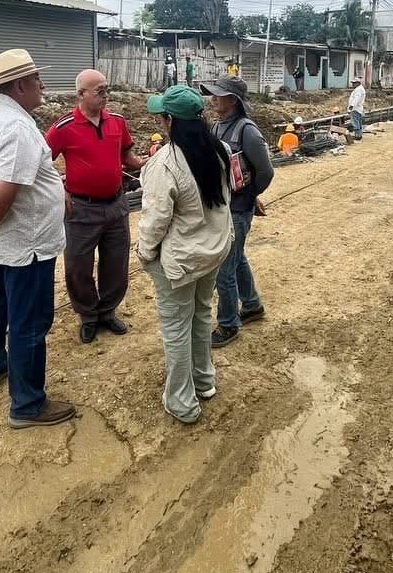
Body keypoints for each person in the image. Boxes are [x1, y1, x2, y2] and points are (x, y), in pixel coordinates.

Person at [0, 49, 75, 429]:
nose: (42, 85)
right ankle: (28, 404)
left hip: (2, 242)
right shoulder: (17, 128)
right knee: (30, 321)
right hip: (28, 243)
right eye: (37, 79)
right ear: (21, 86)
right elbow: (2, 193)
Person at [139, 85, 234, 423]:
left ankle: (181, 400)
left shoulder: (165, 163)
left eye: (162, 116)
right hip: (212, 251)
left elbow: (155, 219)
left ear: (170, 121)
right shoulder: (220, 150)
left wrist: (145, 253)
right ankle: (203, 380)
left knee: (176, 327)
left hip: (180, 259)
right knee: (201, 314)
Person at [46, 69, 144, 344]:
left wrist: (144, 163)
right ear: (81, 94)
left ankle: (107, 311)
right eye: (100, 91)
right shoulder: (63, 127)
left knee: (116, 263)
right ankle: (88, 316)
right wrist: (59, 188)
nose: (106, 95)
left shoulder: (118, 122)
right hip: (81, 209)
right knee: (78, 267)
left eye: (107, 89)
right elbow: (40, 161)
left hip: (116, 205)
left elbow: (126, 155)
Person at [199, 75, 274, 347]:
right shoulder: (218, 127)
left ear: (233, 100)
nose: (213, 99)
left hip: (237, 211)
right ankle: (251, 305)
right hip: (224, 207)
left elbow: (266, 171)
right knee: (237, 258)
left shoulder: (247, 131)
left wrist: (251, 196)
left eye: (218, 95)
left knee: (224, 268)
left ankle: (229, 323)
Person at [347, 76, 366, 140]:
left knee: (355, 122)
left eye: (354, 83)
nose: (353, 84)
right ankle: (359, 135)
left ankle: (357, 136)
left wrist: (351, 106)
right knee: (358, 122)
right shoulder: (359, 89)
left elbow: (356, 99)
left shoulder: (359, 90)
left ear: (358, 83)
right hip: (358, 108)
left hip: (356, 108)